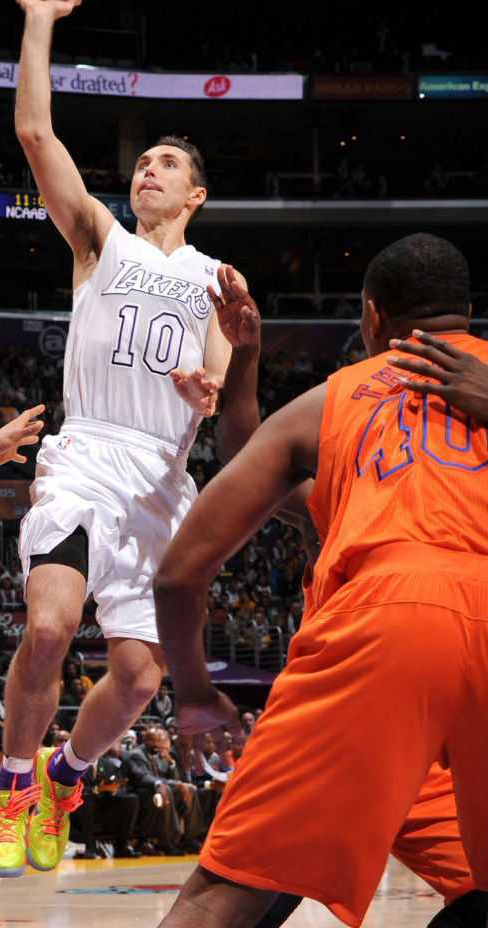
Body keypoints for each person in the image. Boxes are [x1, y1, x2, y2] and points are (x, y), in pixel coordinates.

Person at [0, 0, 257, 881]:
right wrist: (39, 18)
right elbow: (35, 135)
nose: (147, 170)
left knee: (139, 678)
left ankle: (67, 776)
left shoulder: (220, 277)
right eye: (141, 161)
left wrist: (203, 386)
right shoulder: (100, 240)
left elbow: (218, 383)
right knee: (52, 627)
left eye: (165, 163)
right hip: (88, 457)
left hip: (162, 483)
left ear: (196, 192)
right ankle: (15, 786)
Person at [152, 233, 488, 928]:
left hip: (382, 644)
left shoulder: (335, 404)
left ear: (371, 319)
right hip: (433, 688)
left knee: (230, 891)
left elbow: (181, 572)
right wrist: (242, 359)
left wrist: (192, 692)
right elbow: (246, 444)